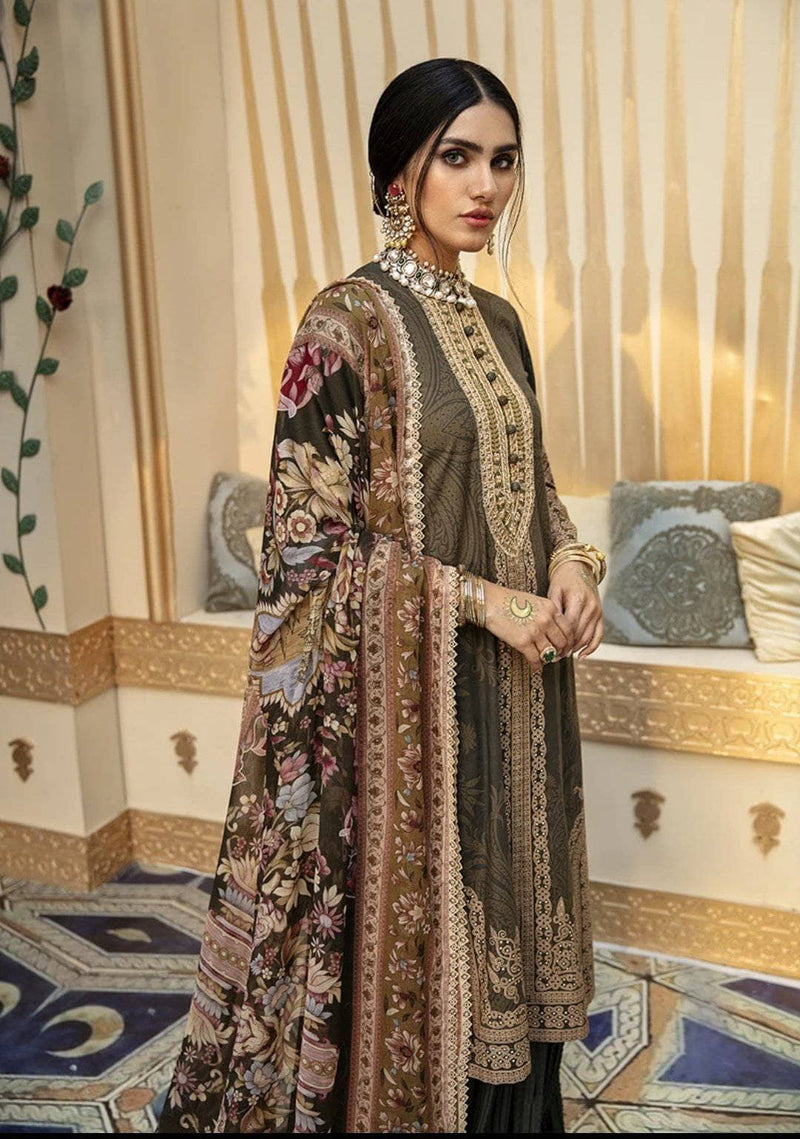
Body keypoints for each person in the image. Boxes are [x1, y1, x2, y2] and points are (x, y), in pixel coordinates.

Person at [156, 57, 605, 1135]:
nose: (485, 185)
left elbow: (532, 482)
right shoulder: (343, 325)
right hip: (407, 721)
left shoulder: (500, 321)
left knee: (515, 919)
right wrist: (478, 601)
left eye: (503, 160)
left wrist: (571, 563)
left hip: (522, 691)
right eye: (458, 157)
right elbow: (305, 555)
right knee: (430, 945)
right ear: (399, 172)